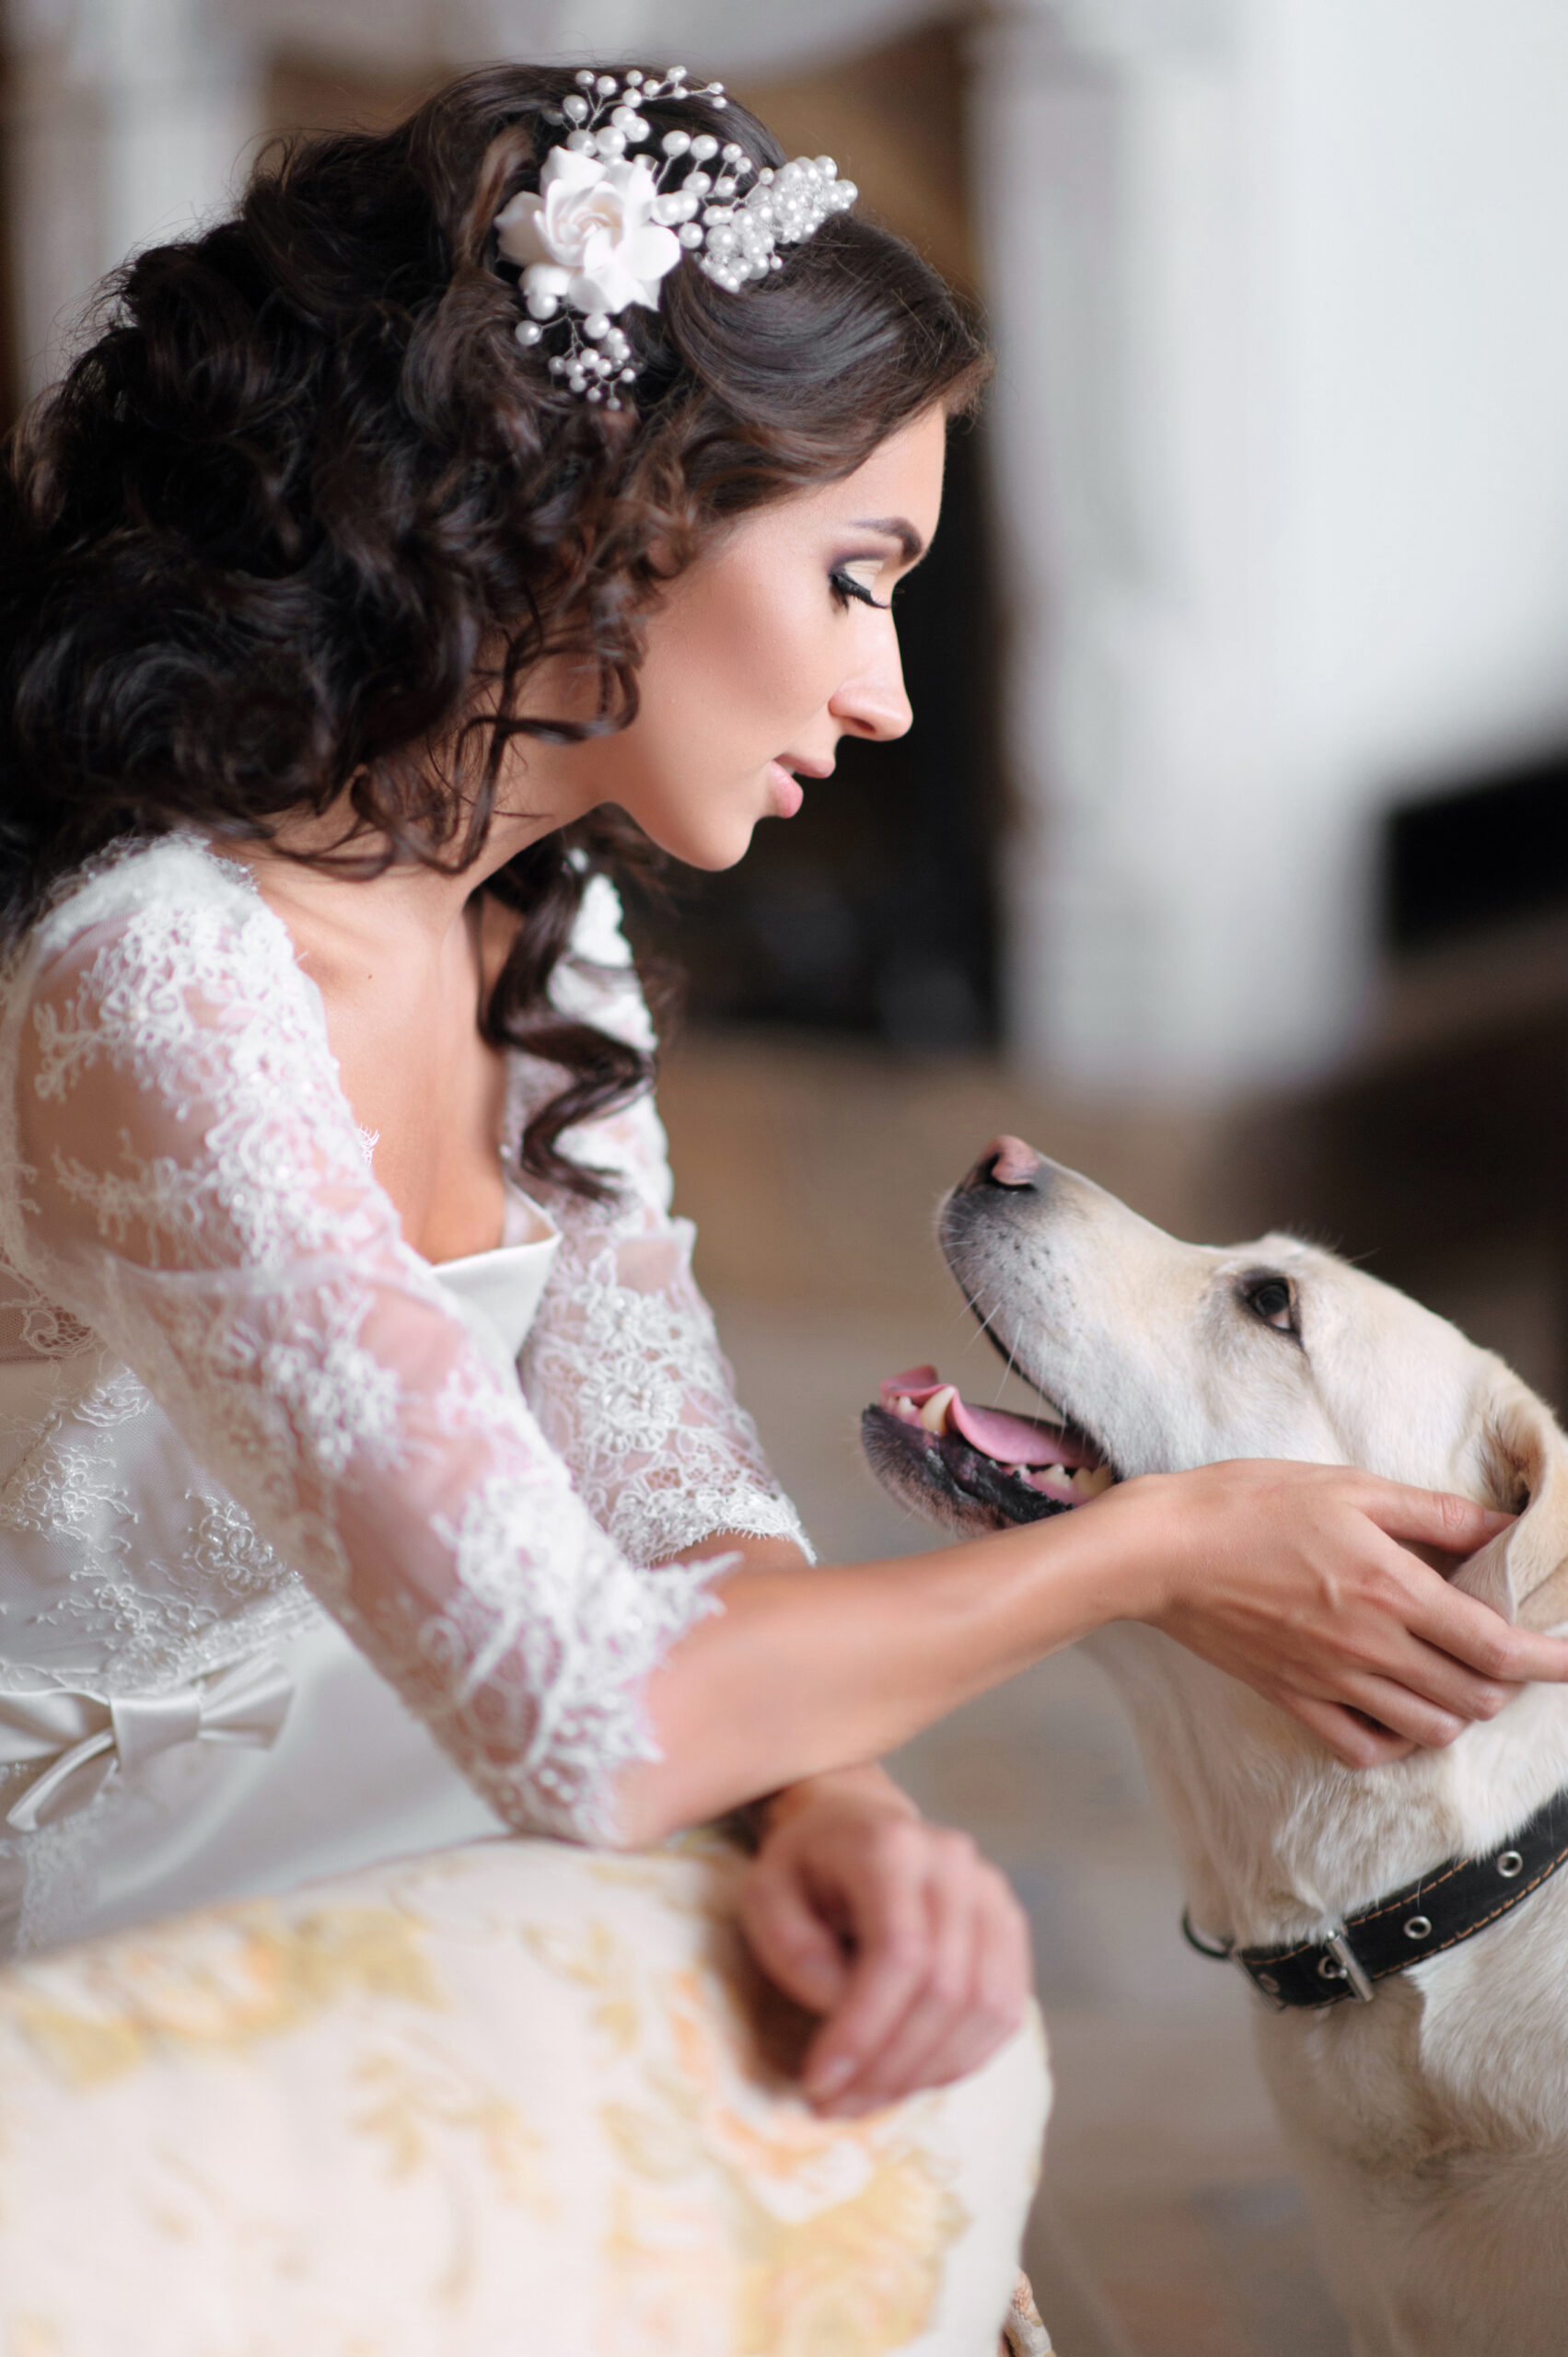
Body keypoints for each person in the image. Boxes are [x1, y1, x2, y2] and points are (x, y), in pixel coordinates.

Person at [0, 60, 1562, 2149]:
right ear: (606, 510)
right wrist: (1158, 1541)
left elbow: (672, 1502)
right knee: (803, 2078)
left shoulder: (538, 939)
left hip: (380, 1724)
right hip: (97, 1873)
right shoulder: (162, 978)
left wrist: (838, 1795)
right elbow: (579, 1711)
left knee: (902, 2010)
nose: (891, 691)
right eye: (855, 572)